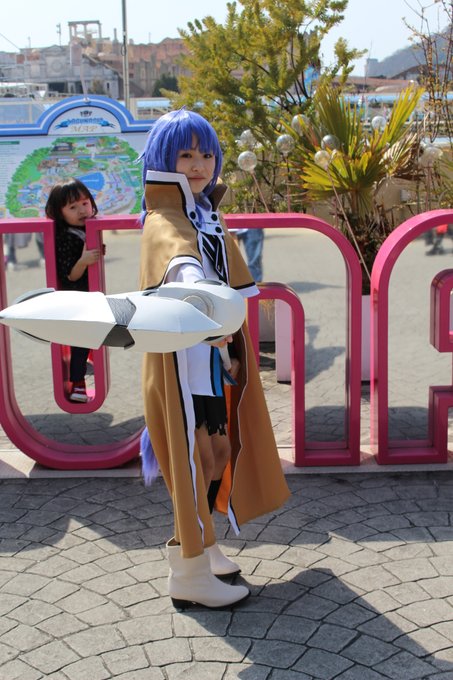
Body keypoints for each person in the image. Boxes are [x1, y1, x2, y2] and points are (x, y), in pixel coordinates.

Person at [139, 108, 290, 610]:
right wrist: (203, 294)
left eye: (206, 154)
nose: (198, 164)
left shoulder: (203, 212)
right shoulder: (165, 216)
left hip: (207, 356)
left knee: (219, 454)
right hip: (181, 362)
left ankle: (203, 546)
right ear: (163, 159)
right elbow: (179, 262)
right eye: (185, 154)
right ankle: (188, 570)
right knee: (194, 459)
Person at [45, 179, 104, 403]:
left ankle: (84, 369)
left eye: (85, 203)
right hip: (76, 300)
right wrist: (84, 261)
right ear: (59, 213)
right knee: (81, 342)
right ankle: (78, 384)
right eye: (73, 207)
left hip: (88, 297)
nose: (82, 210)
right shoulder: (66, 237)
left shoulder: (84, 230)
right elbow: (70, 275)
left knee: (87, 340)